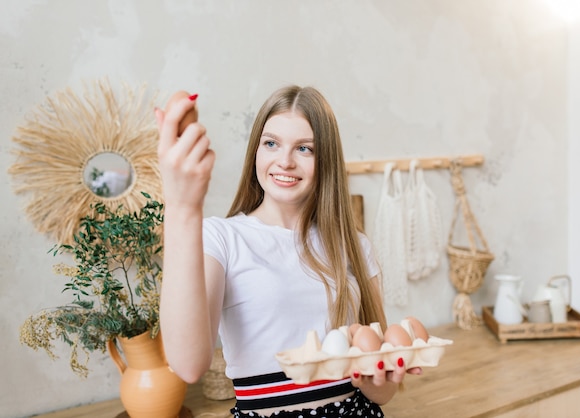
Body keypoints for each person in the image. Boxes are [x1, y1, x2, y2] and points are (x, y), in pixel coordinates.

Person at [155, 85, 420, 417]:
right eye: (271, 143)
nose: (285, 161)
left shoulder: (353, 245)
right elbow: (187, 365)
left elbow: (381, 393)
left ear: (325, 160)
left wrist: (379, 375)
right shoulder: (221, 238)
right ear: (256, 151)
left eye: (304, 149)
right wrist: (182, 205)